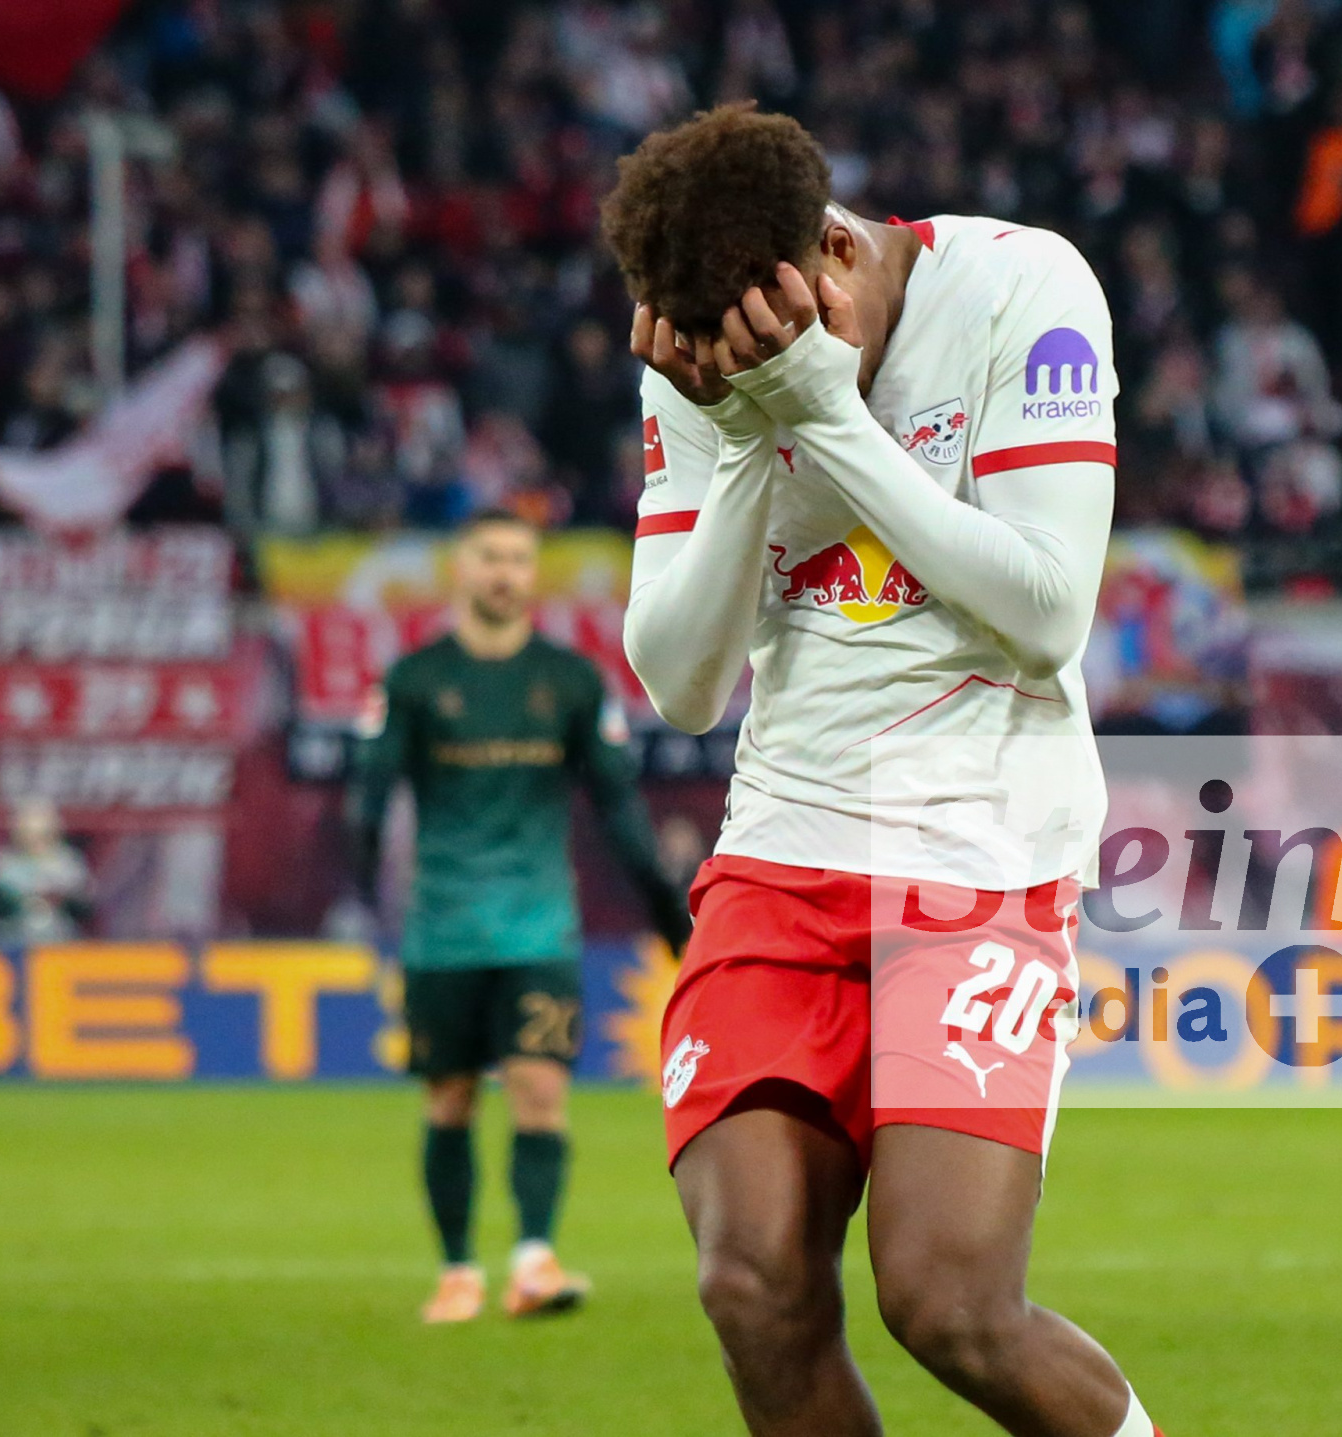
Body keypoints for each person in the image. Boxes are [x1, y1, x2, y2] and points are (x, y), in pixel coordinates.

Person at [602, 106, 1158, 1437]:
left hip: (981, 858)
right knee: (750, 1283)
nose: (737, 365)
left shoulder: (1024, 287)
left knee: (948, 1305)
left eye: (761, 341)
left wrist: (825, 418)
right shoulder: (704, 357)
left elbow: (1044, 614)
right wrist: (751, 436)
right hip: (780, 855)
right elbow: (680, 683)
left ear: (835, 252)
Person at [349, 508, 693, 1324]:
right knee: (449, 1100)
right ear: (460, 569)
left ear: (532, 574)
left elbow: (619, 808)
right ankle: (457, 1270)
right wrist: (368, 905)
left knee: (540, 1091)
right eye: (490, 557)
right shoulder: (413, 680)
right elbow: (368, 803)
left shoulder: (571, 681)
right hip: (441, 930)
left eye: (518, 559)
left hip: (539, 928)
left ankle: (534, 1259)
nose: (504, 572)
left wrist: (670, 921)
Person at [0, 797, 92, 945]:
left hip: (62, 941)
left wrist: (61, 899)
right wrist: (21, 901)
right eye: (28, 834)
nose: (35, 841)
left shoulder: (69, 864)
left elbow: (83, 907)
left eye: (42, 834)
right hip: (13, 941)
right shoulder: (3, 864)